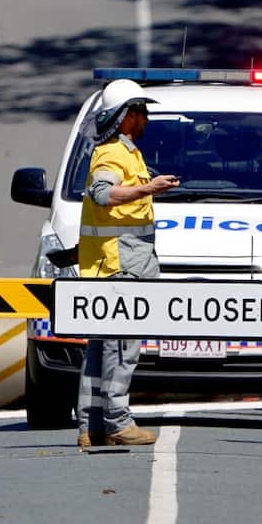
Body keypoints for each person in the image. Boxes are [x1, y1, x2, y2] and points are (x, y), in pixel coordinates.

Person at [76, 79, 181, 449]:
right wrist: (148, 189)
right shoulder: (112, 155)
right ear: (125, 117)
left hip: (115, 265)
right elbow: (102, 193)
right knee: (121, 348)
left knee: (99, 348)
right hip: (121, 267)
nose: (146, 118)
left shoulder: (127, 152)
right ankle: (118, 422)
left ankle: (91, 426)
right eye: (140, 111)